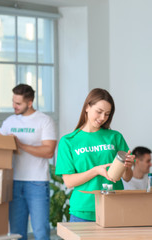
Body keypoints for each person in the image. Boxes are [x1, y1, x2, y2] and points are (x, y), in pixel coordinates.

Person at [55, 88, 135, 222]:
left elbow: (127, 177)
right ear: (87, 107)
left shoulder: (115, 137)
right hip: (83, 210)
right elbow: (68, 182)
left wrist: (127, 167)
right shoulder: (68, 141)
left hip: (114, 206)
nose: (102, 118)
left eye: (107, 114)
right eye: (99, 112)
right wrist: (95, 171)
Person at [0, 84, 57, 240]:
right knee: (17, 233)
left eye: (18, 103)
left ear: (30, 103)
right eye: (13, 102)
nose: (14, 106)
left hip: (37, 182)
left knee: (41, 231)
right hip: (14, 182)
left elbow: (49, 151)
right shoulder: (10, 121)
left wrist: (21, 145)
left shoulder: (44, 121)